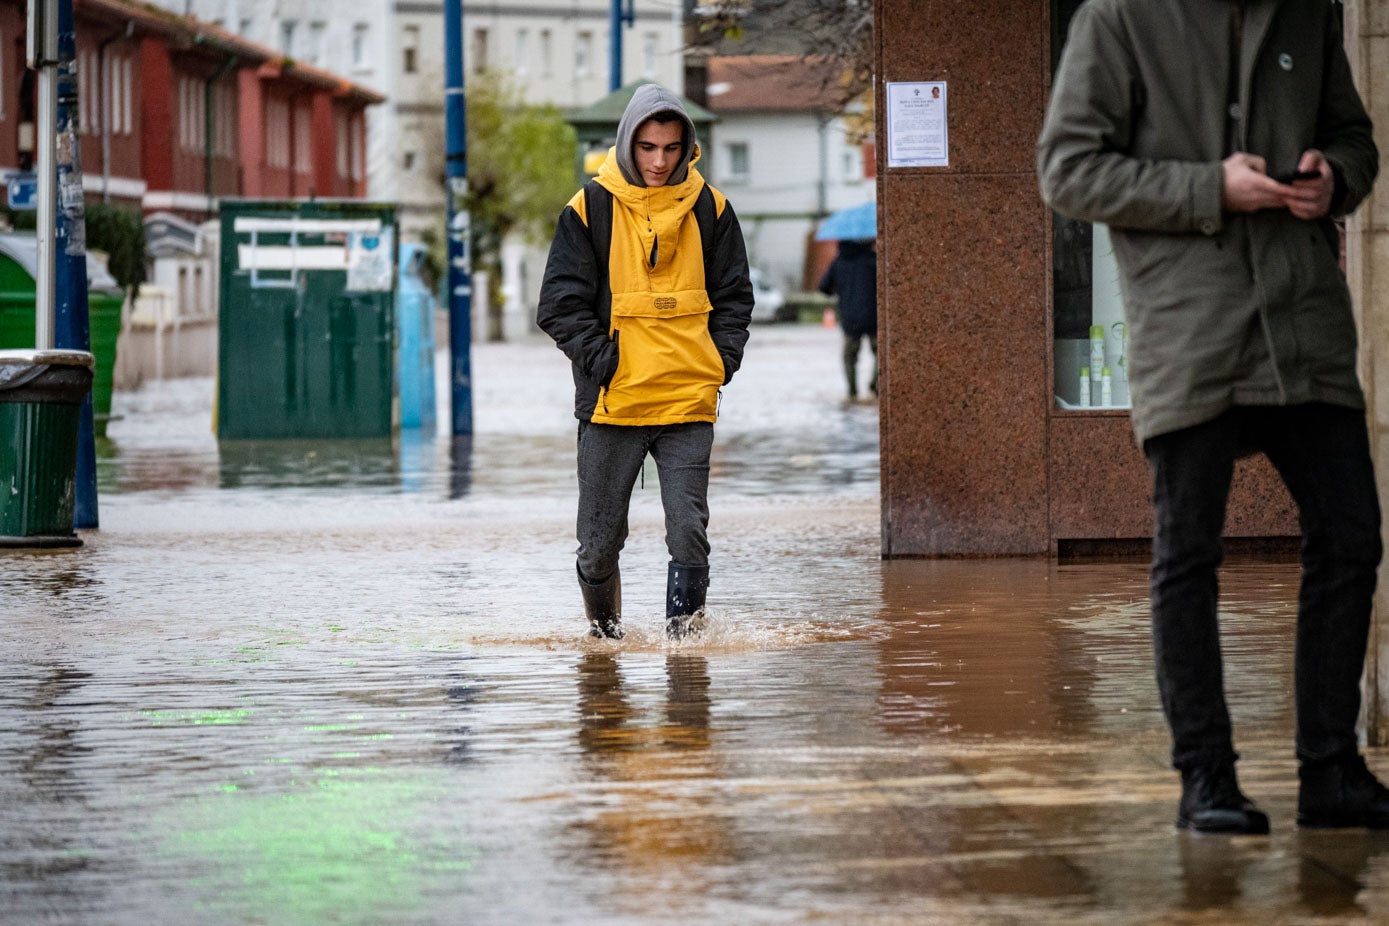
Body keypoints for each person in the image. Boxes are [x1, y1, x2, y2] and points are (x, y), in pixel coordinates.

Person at [1038, 1, 1385, 835]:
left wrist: (1332, 178)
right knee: (1186, 553)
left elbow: (1355, 141)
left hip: (1302, 322)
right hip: (1188, 328)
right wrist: (1208, 188)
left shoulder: (1307, 13)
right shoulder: (1117, 18)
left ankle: (1329, 773)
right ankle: (1207, 781)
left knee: (1350, 537)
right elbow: (1068, 171)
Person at [537, 84, 754, 641]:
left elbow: (734, 298)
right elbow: (559, 305)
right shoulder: (589, 208)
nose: (660, 161)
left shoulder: (713, 209)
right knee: (598, 544)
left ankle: (685, 654)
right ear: (628, 143)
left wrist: (719, 362)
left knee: (688, 532)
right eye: (649, 148)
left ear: (688, 148)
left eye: (672, 148)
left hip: (687, 400)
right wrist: (606, 364)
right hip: (614, 404)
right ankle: (605, 642)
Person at [818, 238, 878, 400]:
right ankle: (875, 385)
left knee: (849, 357)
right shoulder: (873, 260)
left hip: (850, 318)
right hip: (874, 316)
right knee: (880, 353)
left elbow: (823, 286)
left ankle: (852, 391)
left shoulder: (839, 261)